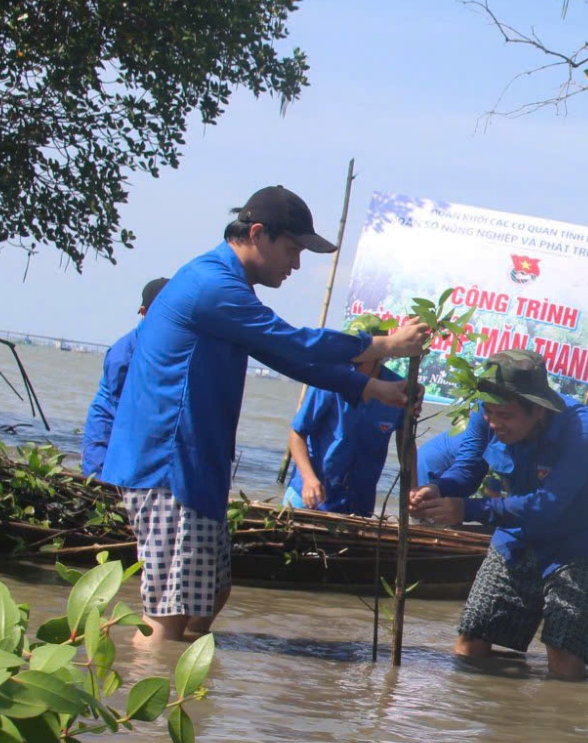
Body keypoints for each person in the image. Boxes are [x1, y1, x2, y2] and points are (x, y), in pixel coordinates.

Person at [102, 186, 430, 641]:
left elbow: (292, 360)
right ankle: (145, 700)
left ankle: (193, 695)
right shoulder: (212, 286)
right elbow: (293, 343)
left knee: (211, 595)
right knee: (169, 616)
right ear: (257, 234)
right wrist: (384, 345)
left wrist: (372, 387)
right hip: (168, 467)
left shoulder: (224, 285)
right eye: (293, 249)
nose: (296, 265)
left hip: (193, 469)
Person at [409, 348, 588, 681]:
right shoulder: (486, 414)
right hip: (517, 531)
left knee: (564, 656)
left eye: (505, 416)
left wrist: (467, 509)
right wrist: (440, 491)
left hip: (581, 541)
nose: (494, 423)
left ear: (537, 410)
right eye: (489, 412)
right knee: (471, 639)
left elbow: (549, 505)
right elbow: (467, 469)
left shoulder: (581, 428)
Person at [281, 315, 406, 516]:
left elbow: (406, 444)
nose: (352, 362)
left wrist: (413, 488)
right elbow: (297, 434)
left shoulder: (397, 389)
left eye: (360, 355)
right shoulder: (330, 380)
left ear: (379, 354)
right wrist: (308, 479)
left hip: (358, 502)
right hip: (311, 496)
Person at [81, 278, 168, 476]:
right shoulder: (122, 354)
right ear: (144, 312)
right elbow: (125, 409)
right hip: (106, 430)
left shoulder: (165, 347)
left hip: (137, 433)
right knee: (101, 487)